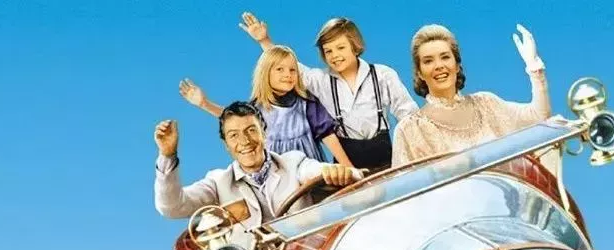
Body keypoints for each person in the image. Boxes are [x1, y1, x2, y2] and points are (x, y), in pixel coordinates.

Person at [239, 12, 417, 172]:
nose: (334, 55)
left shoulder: (382, 75)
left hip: (387, 161)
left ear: (355, 46)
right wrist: (264, 41)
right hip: (346, 168)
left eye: (341, 48)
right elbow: (290, 68)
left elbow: (408, 114)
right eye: (328, 51)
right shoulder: (321, 80)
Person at [153, 101, 362, 229]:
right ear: (226, 145)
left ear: (264, 133)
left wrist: (336, 172)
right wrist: (167, 155)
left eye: (251, 130)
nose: (245, 141)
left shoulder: (294, 162)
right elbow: (172, 207)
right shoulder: (217, 183)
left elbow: (318, 171)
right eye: (234, 135)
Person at [390, 24, 552, 168]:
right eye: (428, 61)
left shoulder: (487, 103)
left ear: (457, 65)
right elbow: (404, 189)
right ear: (419, 73)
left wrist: (535, 70)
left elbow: (539, 117)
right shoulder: (409, 130)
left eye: (445, 57)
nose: (439, 66)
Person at [178, 45, 354, 167]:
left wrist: (348, 168)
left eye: (292, 70)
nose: (288, 74)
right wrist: (204, 104)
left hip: (312, 176)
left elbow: (328, 136)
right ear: (265, 73)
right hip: (276, 181)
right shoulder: (257, 109)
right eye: (280, 69)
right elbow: (234, 117)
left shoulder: (306, 103)